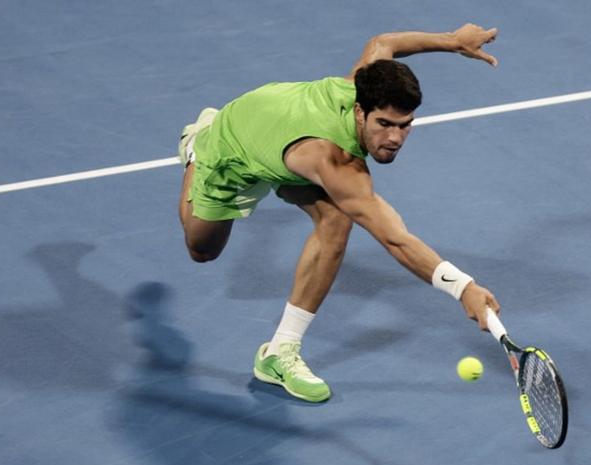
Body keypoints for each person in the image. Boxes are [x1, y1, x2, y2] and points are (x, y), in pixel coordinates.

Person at [177, 23, 501, 402]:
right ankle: (197, 147)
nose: (395, 138)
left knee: (336, 218)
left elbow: (384, 43)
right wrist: (462, 287)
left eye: (405, 125)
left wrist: (453, 42)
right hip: (234, 148)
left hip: (279, 126)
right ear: (361, 113)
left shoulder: (365, 80)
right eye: (384, 124)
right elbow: (394, 238)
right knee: (202, 250)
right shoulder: (335, 163)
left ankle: (280, 353)